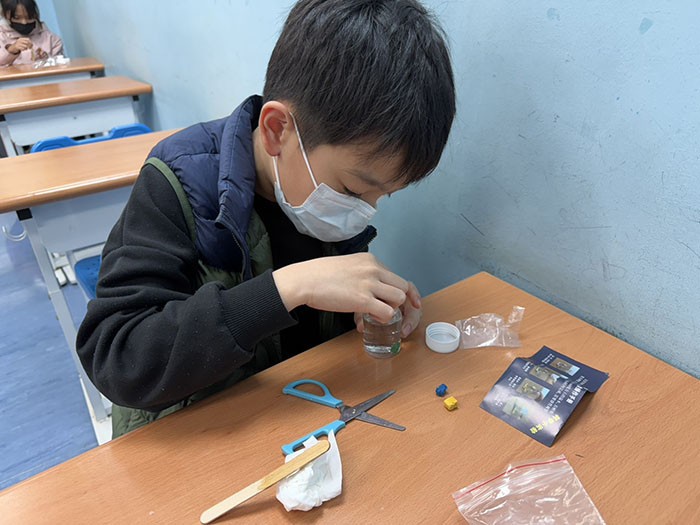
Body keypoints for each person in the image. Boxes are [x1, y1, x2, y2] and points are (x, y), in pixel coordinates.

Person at [77, 0, 456, 438]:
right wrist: (287, 289)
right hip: (198, 432)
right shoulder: (177, 182)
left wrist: (364, 304)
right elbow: (117, 358)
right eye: (354, 191)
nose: (364, 211)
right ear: (277, 130)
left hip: (294, 415)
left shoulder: (320, 186)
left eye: (383, 196)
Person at [0, 0, 63, 67]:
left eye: (29, 17)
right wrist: (11, 51)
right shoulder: (1, 38)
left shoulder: (51, 39)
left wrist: (46, 59)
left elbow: (61, 67)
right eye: (17, 18)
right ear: (5, 15)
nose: (24, 22)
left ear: (35, 15)